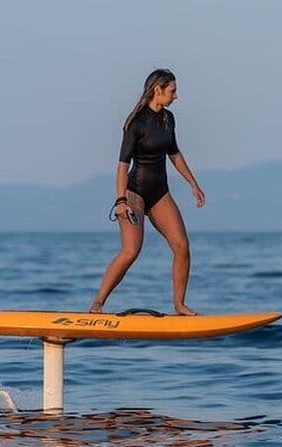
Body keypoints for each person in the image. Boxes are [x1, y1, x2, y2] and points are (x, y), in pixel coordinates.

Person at [90, 69, 205, 316]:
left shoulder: (168, 119)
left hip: (160, 193)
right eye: (172, 90)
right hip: (134, 193)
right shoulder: (136, 123)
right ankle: (98, 302)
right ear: (158, 90)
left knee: (182, 247)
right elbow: (122, 165)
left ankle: (179, 305)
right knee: (131, 250)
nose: (176, 96)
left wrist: (193, 184)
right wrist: (121, 200)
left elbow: (174, 154)